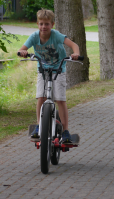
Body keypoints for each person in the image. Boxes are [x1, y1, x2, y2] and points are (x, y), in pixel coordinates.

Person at [18, 9, 80, 143]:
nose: (43, 27)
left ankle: (65, 131)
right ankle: (40, 126)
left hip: (58, 70)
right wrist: (22, 51)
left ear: (52, 24)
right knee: (41, 97)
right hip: (43, 70)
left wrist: (75, 54)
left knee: (60, 99)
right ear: (37, 24)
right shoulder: (34, 37)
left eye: (46, 24)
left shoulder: (56, 35)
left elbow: (74, 45)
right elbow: (22, 48)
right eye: (41, 24)